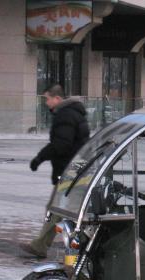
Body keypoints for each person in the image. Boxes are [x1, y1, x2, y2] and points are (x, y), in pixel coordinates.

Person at [20, 85, 90, 258]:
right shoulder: (74, 113)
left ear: (57, 99)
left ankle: (43, 246)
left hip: (70, 170)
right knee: (60, 210)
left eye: (47, 98)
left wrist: (39, 158)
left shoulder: (65, 115)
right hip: (77, 167)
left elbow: (61, 144)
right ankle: (41, 245)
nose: (46, 102)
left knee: (58, 209)